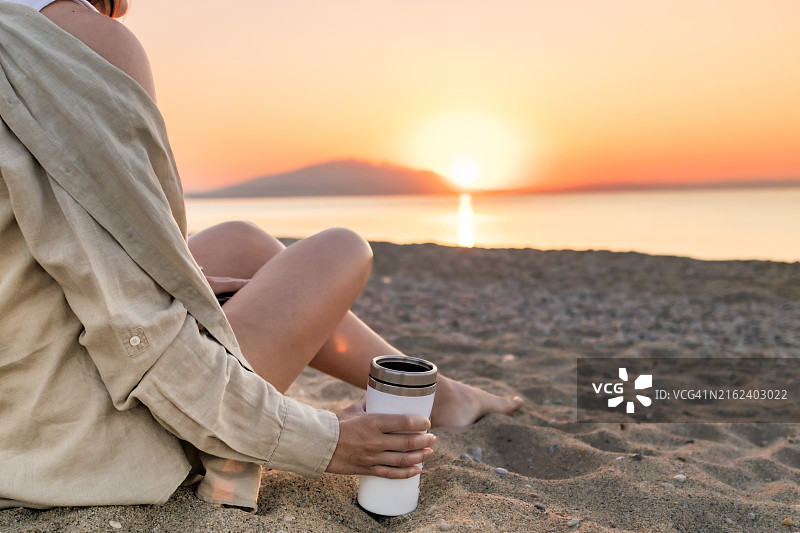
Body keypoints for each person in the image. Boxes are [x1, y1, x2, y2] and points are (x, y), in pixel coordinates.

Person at [0, 0, 522, 511]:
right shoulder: (75, 37)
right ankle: (441, 398)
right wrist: (322, 438)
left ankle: (446, 395)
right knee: (340, 250)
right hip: (64, 445)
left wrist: (189, 292)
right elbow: (137, 336)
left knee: (240, 242)